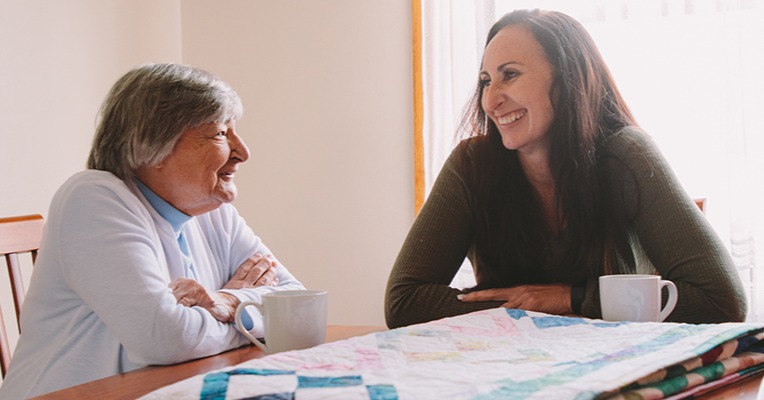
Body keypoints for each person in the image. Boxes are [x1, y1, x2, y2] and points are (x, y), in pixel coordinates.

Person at [385, 9, 747, 329]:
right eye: (485, 81)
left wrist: (569, 299)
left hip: (617, 368)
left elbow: (721, 300)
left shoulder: (627, 156)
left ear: (569, 78)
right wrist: (527, 304)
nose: (491, 100)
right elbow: (403, 302)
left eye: (510, 74)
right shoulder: (472, 164)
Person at [0, 63, 305, 398]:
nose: (243, 152)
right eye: (220, 133)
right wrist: (252, 322)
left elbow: (300, 311)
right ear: (152, 145)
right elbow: (166, 340)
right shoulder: (92, 198)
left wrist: (227, 301)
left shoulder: (213, 211)